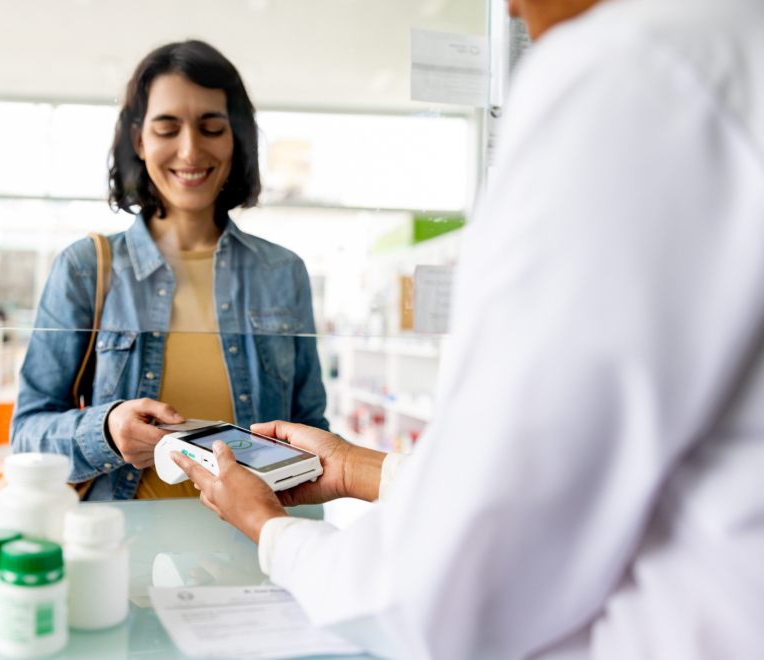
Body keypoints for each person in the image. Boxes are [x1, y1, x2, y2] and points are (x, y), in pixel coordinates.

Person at [172, 0, 764, 657]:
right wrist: (356, 467)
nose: (508, 7)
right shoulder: (729, 42)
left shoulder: (625, 72)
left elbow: (447, 594)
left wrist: (270, 530)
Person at [11, 40, 328, 501]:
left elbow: (311, 432)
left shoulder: (282, 272)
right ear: (139, 140)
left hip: (254, 548)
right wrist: (106, 428)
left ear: (235, 138)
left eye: (211, 127)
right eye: (167, 128)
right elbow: (26, 434)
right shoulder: (85, 268)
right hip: (124, 553)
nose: (190, 149)